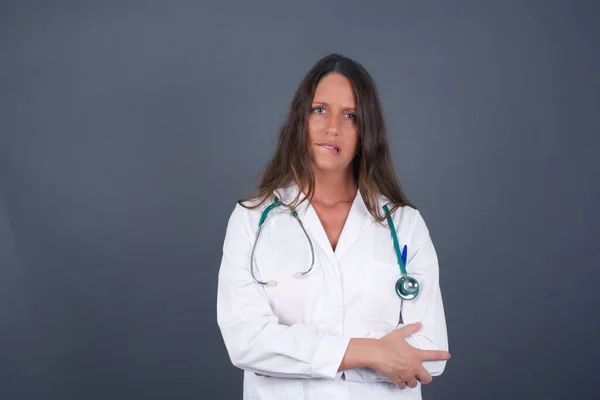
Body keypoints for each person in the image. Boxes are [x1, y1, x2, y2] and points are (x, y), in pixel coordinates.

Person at [216, 53, 450, 399]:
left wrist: (298, 357)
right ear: (301, 119)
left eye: (350, 116)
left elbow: (430, 356)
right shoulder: (252, 219)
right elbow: (246, 342)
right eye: (320, 110)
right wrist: (372, 352)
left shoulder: (404, 224)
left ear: (366, 130)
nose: (332, 128)